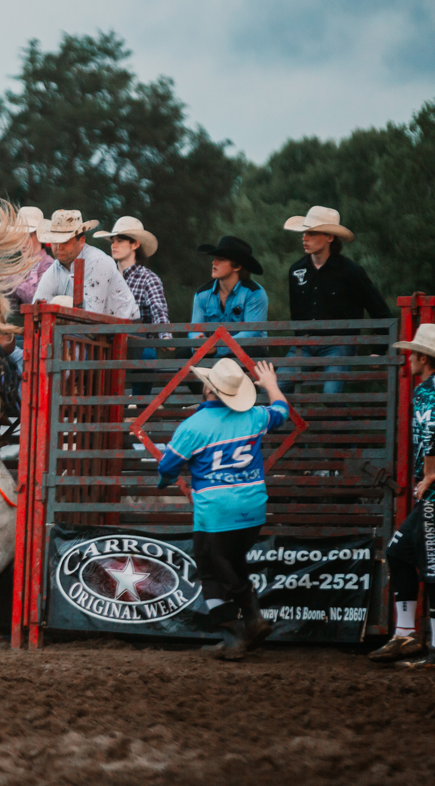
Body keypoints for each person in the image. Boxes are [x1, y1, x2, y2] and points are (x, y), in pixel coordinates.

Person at [156, 358, 290, 660]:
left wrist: (165, 481)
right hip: (253, 507)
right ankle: (248, 622)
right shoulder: (254, 417)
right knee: (232, 560)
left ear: (207, 388)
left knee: (211, 569)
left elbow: (167, 466)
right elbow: (282, 411)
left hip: (216, 512)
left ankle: (238, 632)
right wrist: (270, 385)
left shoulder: (193, 426)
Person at [368, 324, 435, 666]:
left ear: (424, 357)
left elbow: (433, 431)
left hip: (434, 494)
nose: (409, 359)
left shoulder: (429, 391)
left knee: (433, 567)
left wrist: (430, 473)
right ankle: (406, 634)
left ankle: (429, 645)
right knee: (399, 552)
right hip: (431, 494)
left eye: (413, 354)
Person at [279, 206, 392, 394]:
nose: (304, 238)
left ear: (330, 237)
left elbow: (379, 310)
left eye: (312, 233)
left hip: (339, 344)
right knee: (271, 389)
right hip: (305, 345)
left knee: (331, 395)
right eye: (304, 232)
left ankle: (341, 420)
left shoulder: (351, 272)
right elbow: (297, 313)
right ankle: (291, 421)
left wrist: (379, 349)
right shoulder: (296, 270)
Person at [95, 217, 171, 396]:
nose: (114, 245)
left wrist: (165, 335)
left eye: (120, 240)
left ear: (135, 245)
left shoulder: (148, 278)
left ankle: (140, 408)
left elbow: (158, 308)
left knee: (147, 357)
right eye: (113, 241)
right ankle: (99, 409)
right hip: (108, 341)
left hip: (138, 342)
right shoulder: (104, 276)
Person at [32, 209, 139, 319]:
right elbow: (36, 306)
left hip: (126, 330)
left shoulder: (97, 262)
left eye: (65, 241)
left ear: (82, 241)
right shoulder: (54, 268)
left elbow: (93, 315)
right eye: (55, 241)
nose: (59, 247)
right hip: (97, 330)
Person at [189, 236, 268, 358]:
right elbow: (195, 329)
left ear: (237, 266)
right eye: (215, 258)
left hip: (243, 354)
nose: (214, 262)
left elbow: (252, 333)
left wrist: (217, 345)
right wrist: (198, 340)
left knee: (253, 350)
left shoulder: (254, 293)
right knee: (184, 353)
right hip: (212, 351)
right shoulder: (201, 294)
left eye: (221, 259)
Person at [8, 207, 56, 310]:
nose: (23, 242)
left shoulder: (47, 264)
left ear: (39, 237)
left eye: (28, 236)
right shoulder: (21, 266)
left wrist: (13, 280)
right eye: (20, 237)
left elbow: (37, 299)